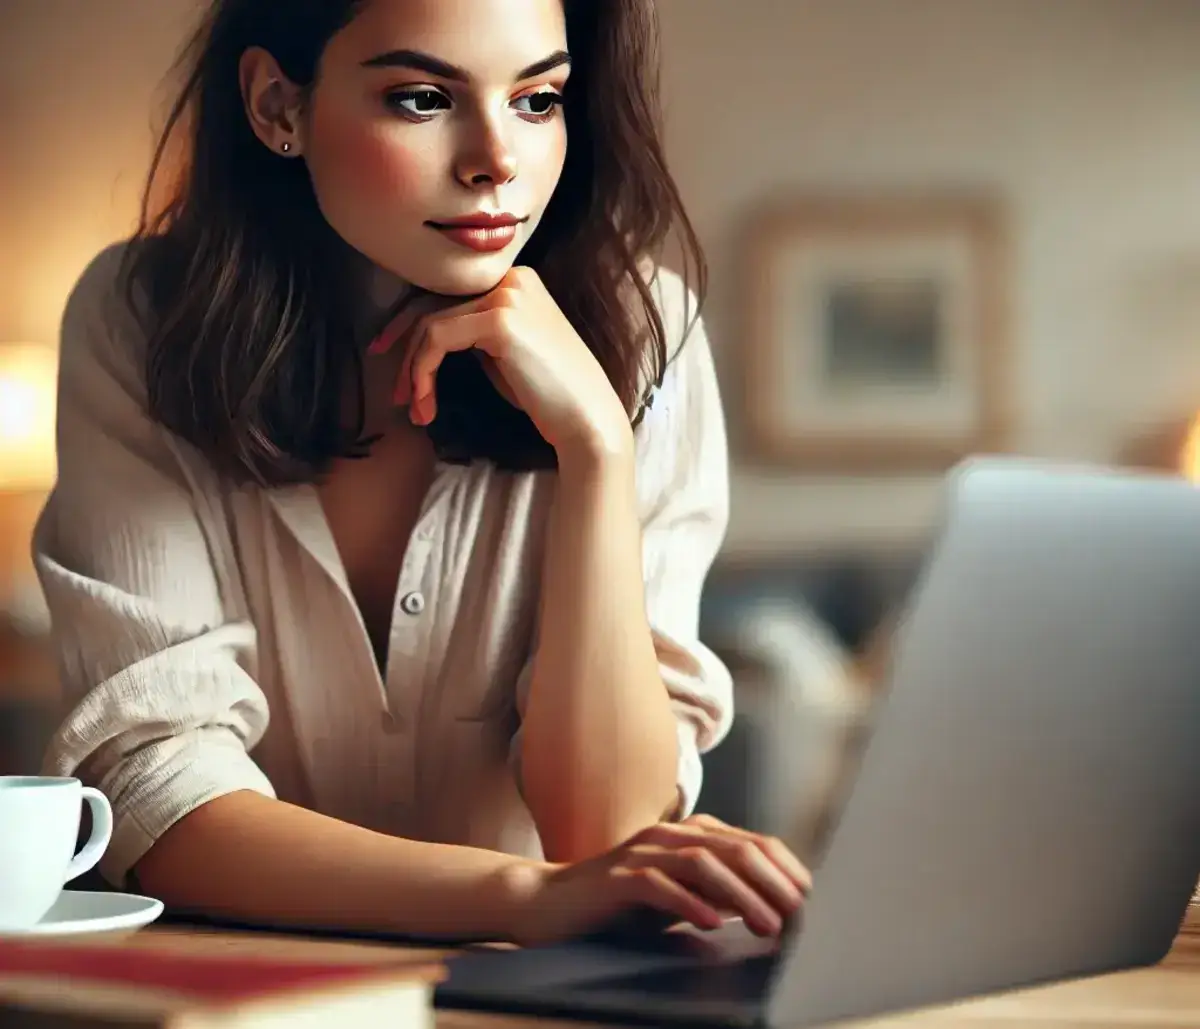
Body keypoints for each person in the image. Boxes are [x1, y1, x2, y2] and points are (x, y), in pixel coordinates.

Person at [34, 0, 810, 945]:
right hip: (252, 989)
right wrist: (524, 896)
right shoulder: (136, 323)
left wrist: (597, 447)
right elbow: (156, 795)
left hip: (537, 1000)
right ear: (279, 106)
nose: (496, 161)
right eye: (422, 97)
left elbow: (605, 832)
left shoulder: (647, 326)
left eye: (537, 100)